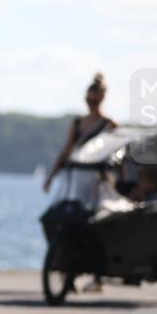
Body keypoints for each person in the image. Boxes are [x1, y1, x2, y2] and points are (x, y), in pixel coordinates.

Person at [43, 73, 117, 292]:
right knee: (69, 220)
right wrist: (51, 176)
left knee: (93, 223)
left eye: (96, 98)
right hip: (76, 178)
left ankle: (96, 272)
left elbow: (115, 154)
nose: (92, 102)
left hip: (97, 179)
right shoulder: (78, 123)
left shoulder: (109, 124)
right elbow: (66, 151)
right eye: (90, 98)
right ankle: (69, 269)